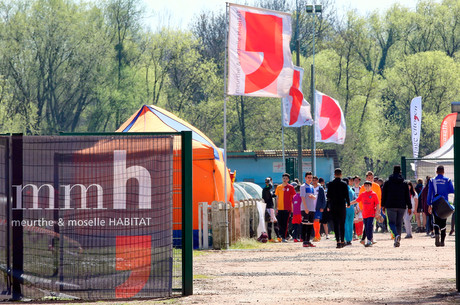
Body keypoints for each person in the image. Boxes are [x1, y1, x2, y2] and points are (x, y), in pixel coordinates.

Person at [381, 165, 411, 247]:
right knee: (399, 223)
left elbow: (384, 194)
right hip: (401, 205)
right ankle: (397, 240)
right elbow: (407, 195)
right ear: (400, 171)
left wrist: (383, 205)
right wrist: (410, 206)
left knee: (391, 223)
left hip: (390, 205)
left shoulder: (387, 182)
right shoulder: (404, 183)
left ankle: (396, 235)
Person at [427, 165, 455, 247]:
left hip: (435, 203)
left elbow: (429, 193)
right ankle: (442, 241)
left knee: (436, 221)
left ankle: (436, 233)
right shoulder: (448, 180)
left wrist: (429, 204)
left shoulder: (432, 180)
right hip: (444, 203)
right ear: (443, 172)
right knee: (443, 221)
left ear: (436, 172)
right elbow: (452, 190)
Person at [326, 168, 350, 248]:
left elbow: (328, 196)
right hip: (342, 205)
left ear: (334, 174)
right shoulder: (344, 184)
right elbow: (346, 195)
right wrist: (348, 203)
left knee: (335, 224)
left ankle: (338, 242)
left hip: (333, 205)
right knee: (342, 223)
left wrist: (329, 205)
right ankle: (343, 241)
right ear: (341, 174)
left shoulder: (331, 184)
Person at [351, 181, 379, 247]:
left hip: (371, 213)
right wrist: (349, 204)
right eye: (365, 186)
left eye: (368, 186)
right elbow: (357, 200)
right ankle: (369, 239)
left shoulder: (374, 194)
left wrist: (377, 211)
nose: (367, 187)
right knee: (366, 227)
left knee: (369, 226)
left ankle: (369, 240)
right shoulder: (363, 194)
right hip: (364, 214)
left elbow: (377, 203)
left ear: (371, 186)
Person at [359, 171, 382, 244]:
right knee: (368, 224)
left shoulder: (376, 186)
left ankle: (367, 239)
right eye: (369, 178)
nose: (370, 179)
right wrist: (361, 208)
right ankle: (368, 239)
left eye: (371, 178)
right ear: (366, 178)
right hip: (366, 208)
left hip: (374, 208)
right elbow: (360, 198)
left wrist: (378, 209)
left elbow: (379, 197)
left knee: (370, 224)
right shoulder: (363, 187)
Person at [275, 173, 296, 243]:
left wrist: (292, 208)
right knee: (279, 223)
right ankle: (281, 236)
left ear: (288, 180)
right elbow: (277, 198)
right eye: (284, 178)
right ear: (282, 179)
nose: (285, 179)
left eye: (286, 178)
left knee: (285, 223)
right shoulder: (278, 187)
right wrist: (276, 207)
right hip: (280, 208)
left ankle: (284, 237)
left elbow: (293, 198)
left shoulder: (291, 187)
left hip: (287, 208)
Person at [300, 172, 317, 247]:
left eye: (311, 177)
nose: (310, 179)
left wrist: (313, 197)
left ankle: (308, 240)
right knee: (305, 225)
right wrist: (305, 208)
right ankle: (304, 241)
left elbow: (314, 196)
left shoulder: (312, 187)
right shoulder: (303, 186)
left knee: (310, 225)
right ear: (305, 178)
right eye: (308, 177)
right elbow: (303, 197)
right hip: (305, 208)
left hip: (312, 208)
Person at [262, 177, 279, 242]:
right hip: (269, 207)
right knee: (271, 222)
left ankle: (276, 237)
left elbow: (272, 195)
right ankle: (270, 238)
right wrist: (269, 182)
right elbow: (270, 186)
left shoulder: (266, 190)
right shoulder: (266, 189)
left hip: (270, 207)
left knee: (274, 221)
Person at [312, 176, 326, 242]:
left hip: (318, 207)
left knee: (317, 221)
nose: (314, 181)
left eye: (315, 180)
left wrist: (322, 207)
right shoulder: (311, 188)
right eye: (313, 180)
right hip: (312, 207)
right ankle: (317, 234)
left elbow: (324, 198)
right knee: (314, 221)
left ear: (317, 180)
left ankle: (317, 236)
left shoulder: (320, 188)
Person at [343, 177, 356, 246]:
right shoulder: (351, 190)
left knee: (345, 224)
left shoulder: (342, 190)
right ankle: (349, 239)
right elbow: (356, 199)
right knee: (350, 224)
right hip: (351, 209)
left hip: (344, 209)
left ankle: (346, 239)